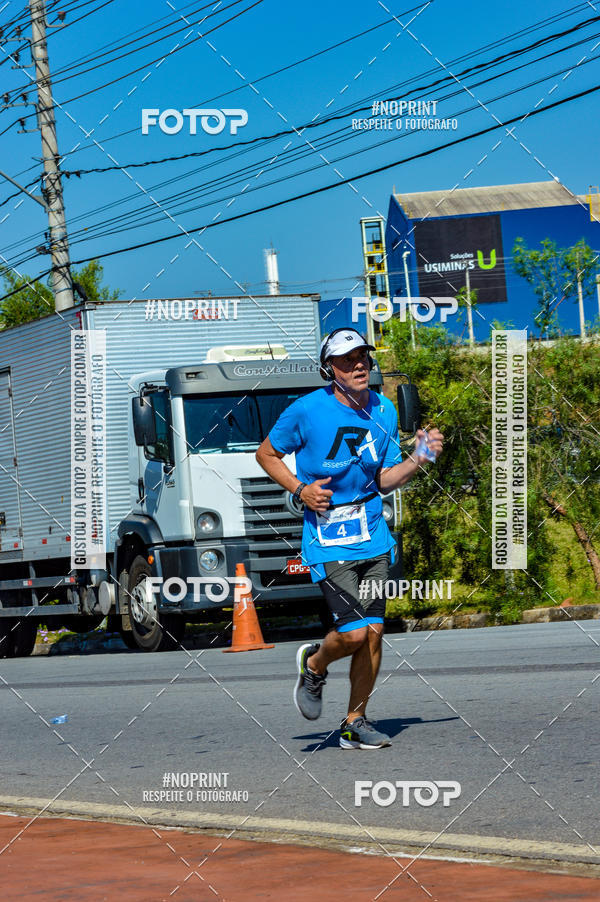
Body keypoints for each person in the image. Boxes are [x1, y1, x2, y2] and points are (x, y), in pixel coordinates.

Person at [255, 327, 443, 749]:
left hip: (374, 539)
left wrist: (418, 458)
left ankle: (354, 723)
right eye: (346, 360)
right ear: (330, 369)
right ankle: (316, 665)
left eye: (363, 357)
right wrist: (300, 490)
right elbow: (266, 453)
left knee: (373, 632)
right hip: (328, 541)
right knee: (354, 633)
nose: (358, 365)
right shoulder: (306, 411)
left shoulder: (385, 411)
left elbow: (383, 479)